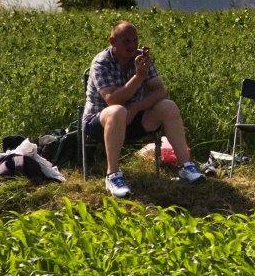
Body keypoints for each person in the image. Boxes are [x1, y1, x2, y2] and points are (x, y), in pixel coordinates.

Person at [83, 20, 204, 197]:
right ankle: (113, 175)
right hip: (100, 123)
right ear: (112, 41)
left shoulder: (141, 58)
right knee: (118, 111)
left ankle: (186, 166)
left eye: (135, 41)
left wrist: (135, 107)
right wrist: (139, 77)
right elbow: (112, 100)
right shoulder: (102, 63)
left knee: (168, 106)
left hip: (132, 118)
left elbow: (161, 91)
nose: (132, 46)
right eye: (126, 41)